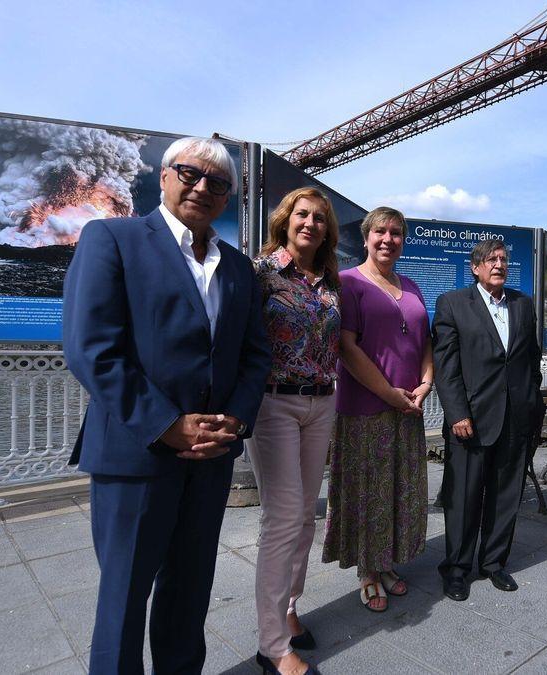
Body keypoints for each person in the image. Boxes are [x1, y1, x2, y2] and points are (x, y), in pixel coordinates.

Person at [63, 137, 273, 673]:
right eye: (190, 174)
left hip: (211, 457)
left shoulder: (238, 269)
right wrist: (165, 424)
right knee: (124, 601)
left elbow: (254, 357)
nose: (202, 188)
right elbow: (91, 349)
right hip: (137, 455)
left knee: (189, 594)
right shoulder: (112, 238)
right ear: (163, 176)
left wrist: (236, 420)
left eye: (218, 183)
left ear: (229, 197)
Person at [247, 186, 342, 675]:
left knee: (305, 516)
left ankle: (288, 607)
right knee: (282, 519)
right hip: (274, 404)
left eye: (320, 218)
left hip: (321, 405)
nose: (310, 223)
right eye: (302, 215)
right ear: (284, 221)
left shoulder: (330, 280)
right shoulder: (260, 274)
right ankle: (272, 646)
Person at [322, 207, 434, 612]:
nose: (388, 239)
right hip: (366, 407)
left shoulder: (413, 286)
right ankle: (368, 570)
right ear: (367, 237)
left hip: (408, 407)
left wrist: (425, 384)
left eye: (397, 233)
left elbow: (425, 343)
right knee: (368, 491)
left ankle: (386, 560)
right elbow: (347, 348)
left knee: (399, 491)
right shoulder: (348, 283)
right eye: (381, 232)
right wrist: (390, 393)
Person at [432, 239, 543, 601]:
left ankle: (493, 563)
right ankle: (457, 568)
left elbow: (531, 362)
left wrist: (531, 405)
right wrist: (457, 413)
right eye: (490, 259)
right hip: (472, 420)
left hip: (516, 419)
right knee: (463, 496)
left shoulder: (523, 305)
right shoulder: (452, 304)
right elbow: (446, 366)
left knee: (506, 495)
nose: (498, 264)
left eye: (503, 259)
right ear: (475, 267)